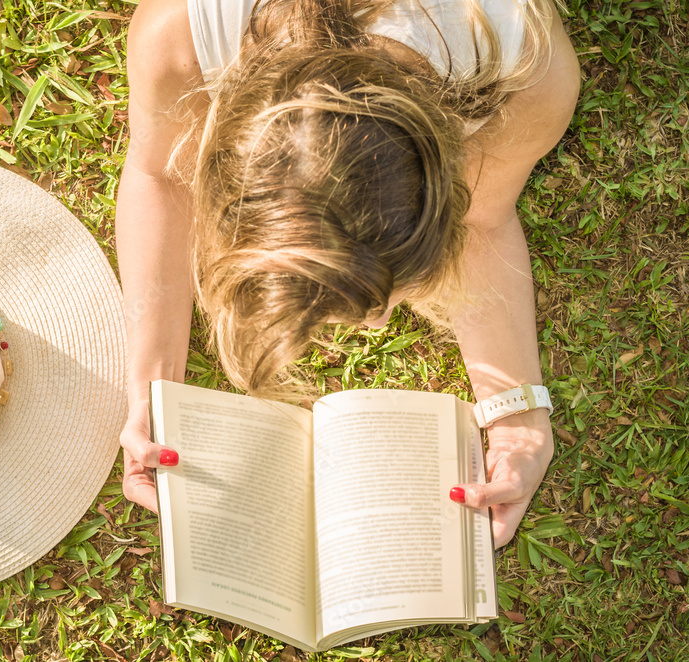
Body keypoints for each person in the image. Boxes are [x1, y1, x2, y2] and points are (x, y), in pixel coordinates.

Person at [116, 0, 580, 547]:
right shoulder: (179, 35)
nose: (380, 323)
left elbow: (483, 219)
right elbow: (161, 178)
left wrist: (517, 418)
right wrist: (151, 388)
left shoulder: (529, 73)